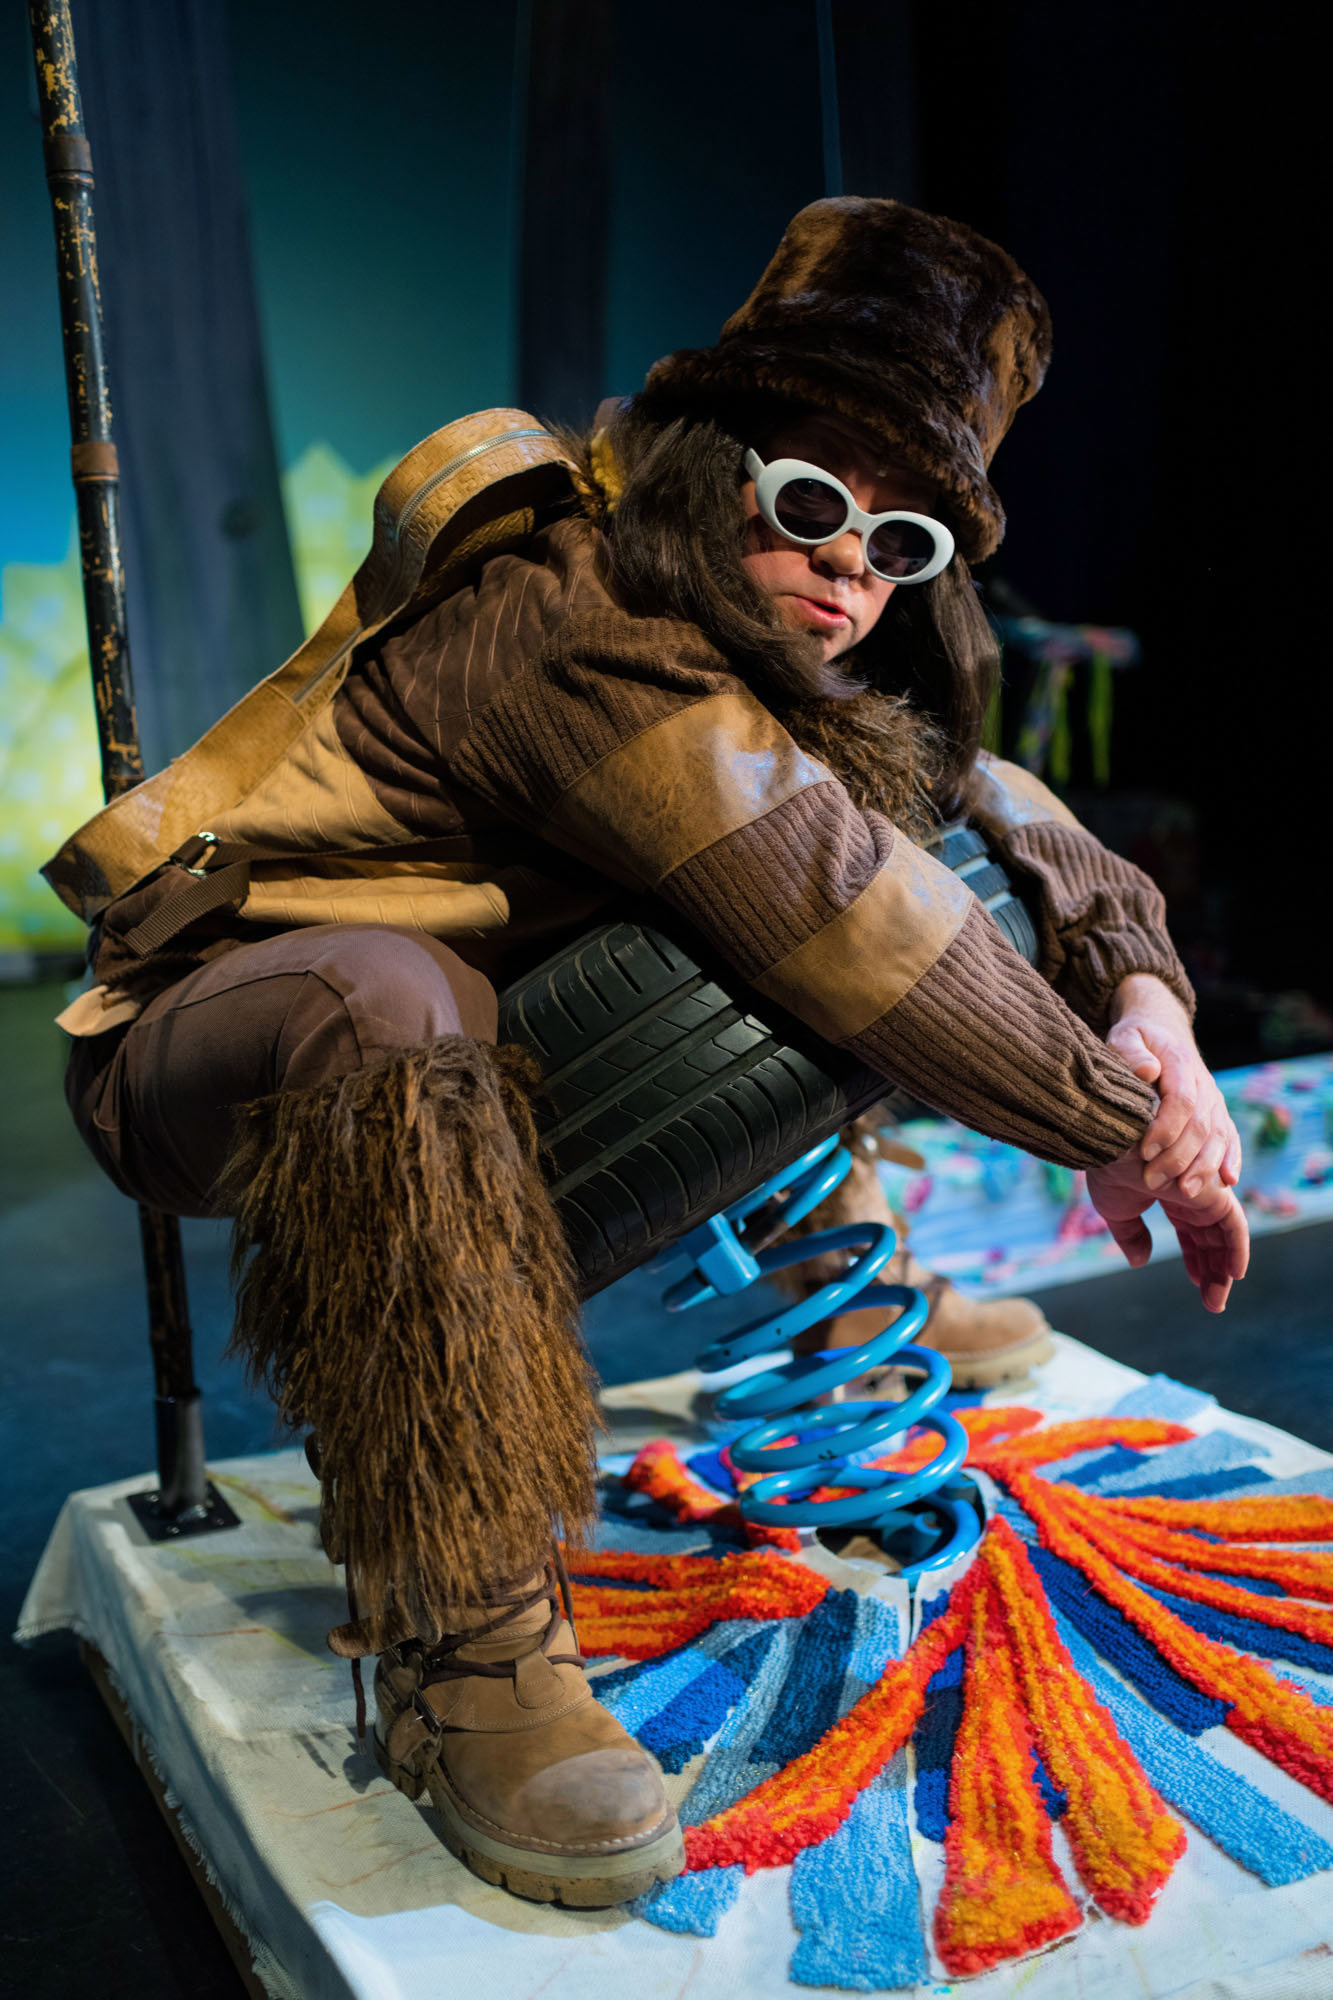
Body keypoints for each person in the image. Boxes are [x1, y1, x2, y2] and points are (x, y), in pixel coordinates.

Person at [57, 196, 1247, 1908]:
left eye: (900, 542)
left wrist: (1149, 1004)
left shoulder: (776, 639)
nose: (849, 570)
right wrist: (1120, 1123)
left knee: (906, 829)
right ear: (708, 461)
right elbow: (826, 903)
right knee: (451, 982)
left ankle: (842, 1295)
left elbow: (996, 809)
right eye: (816, 502)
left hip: (496, 1052)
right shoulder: (575, 606)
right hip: (240, 1043)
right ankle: (458, 1621)